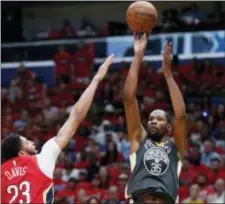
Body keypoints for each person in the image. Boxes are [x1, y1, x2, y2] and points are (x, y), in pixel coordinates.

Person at [1, 54, 114, 204]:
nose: (32, 142)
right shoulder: (42, 159)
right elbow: (75, 117)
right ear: (22, 153)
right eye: (27, 142)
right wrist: (96, 80)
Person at [123, 33, 187, 204]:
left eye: (159, 119)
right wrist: (138, 57)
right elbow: (129, 98)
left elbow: (180, 115)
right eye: (151, 118)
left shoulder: (176, 147)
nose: (152, 121)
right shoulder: (139, 138)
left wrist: (168, 74)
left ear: (168, 127)